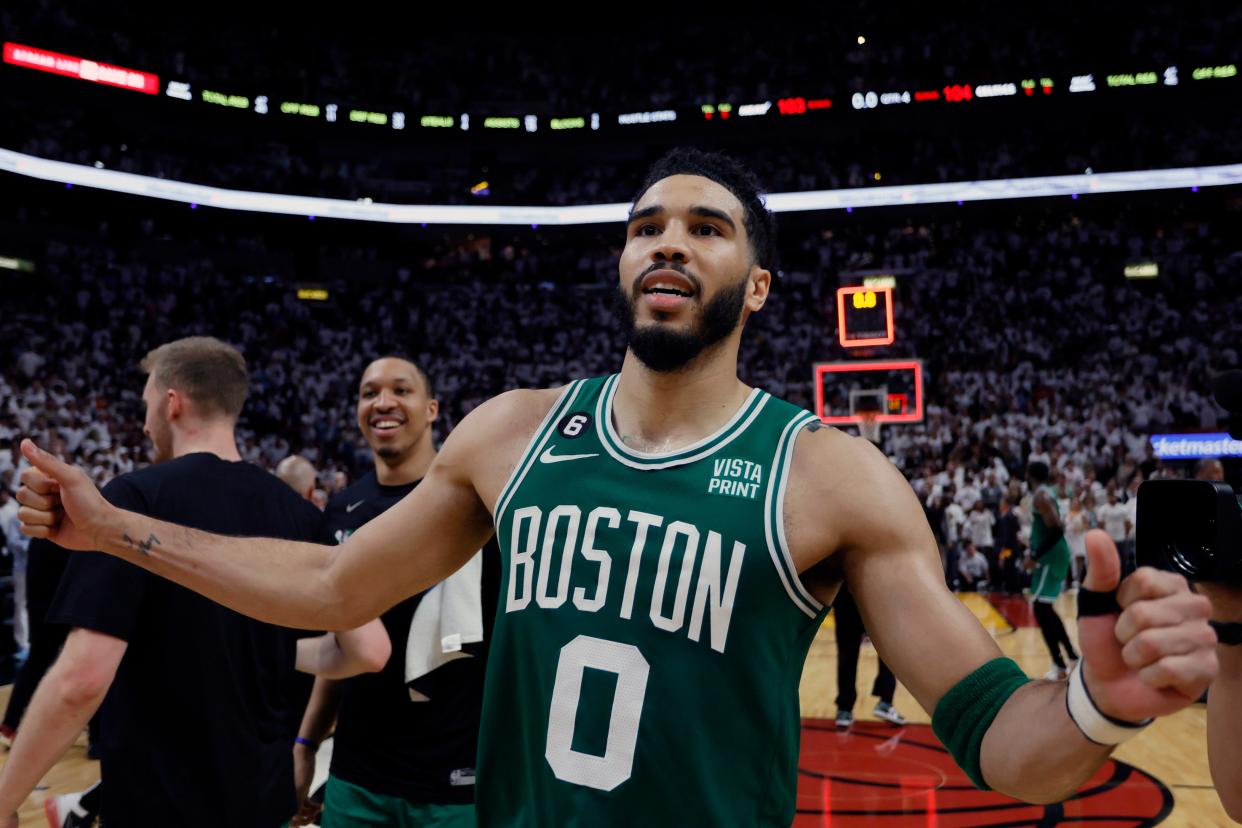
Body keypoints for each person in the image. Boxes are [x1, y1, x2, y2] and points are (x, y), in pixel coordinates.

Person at [16, 149, 1219, 826]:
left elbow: (998, 745)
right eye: (648, 225)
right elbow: (331, 583)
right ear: (621, 262)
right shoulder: (509, 433)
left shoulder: (832, 478)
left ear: (755, 287)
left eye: (708, 227)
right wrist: (116, 530)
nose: (669, 242)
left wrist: (1097, 709)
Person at [0, 337, 384, 828]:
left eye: (145, 405)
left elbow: (81, 680)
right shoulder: (297, 512)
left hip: (160, 808)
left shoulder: (128, 503)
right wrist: (264, 650)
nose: (142, 423)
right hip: (264, 805)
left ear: (170, 402)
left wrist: (7, 798)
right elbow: (369, 650)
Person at [293, 356, 498, 828]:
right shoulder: (343, 509)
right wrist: (306, 743)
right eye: (369, 392)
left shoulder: (481, 505)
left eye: (400, 390)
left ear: (431, 410)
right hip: (358, 778)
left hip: (458, 783)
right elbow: (342, 640)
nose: (383, 402)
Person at [1023, 461, 1080, 680]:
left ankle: (1059, 665)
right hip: (1049, 556)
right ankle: (1071, 657)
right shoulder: (1043, 493)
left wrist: (1034, 555)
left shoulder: (1041, 497)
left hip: (1051, 557)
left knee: (1040, 608)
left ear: (1029, 474)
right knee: (1044, 607)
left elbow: (1057, 528)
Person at [831, 584, 905, 729]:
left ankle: (844, 709)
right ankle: (885, 701)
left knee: (847, 652)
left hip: (845, 592)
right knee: (888, 649)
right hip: (877, 590)